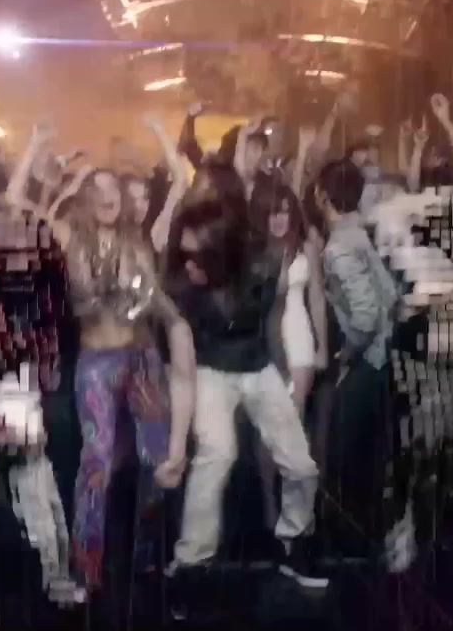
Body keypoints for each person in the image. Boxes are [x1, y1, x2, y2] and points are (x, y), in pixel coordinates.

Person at [6, 117, 196, 594]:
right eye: (101, 190)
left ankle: (147, 554)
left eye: (115, 189)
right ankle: (86, 566)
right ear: (88, 200)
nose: (110, 196)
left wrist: (160, 133)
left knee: (155, 461)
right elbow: (14, 201)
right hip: (97, 365)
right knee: (98, 464)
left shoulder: (140, 239)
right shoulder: (69, 238)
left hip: (141, 360)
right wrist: (34, 145)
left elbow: (181, 181)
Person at [165, 167, 327, 601]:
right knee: (217, 454)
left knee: (301, 465)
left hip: (257, 367)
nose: (189, 263)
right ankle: (190, 564)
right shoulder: (182, 282)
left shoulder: (264, 262)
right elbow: (181, 360)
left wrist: (288, 372)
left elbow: (272, 320)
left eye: (197, 257)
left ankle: (293, 541)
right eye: (185, 255)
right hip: (210, 370)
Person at [313, 159, 402, 559]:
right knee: (369, 456)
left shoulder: (338, 247)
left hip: (367, 359)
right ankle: (369, 542)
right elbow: (390, 295)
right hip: (385, 355)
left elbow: (365, 316)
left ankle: (351, 546)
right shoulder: (357, 232)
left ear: (322, 195)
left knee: (347, 456)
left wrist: (345, 356)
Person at [248, 178, 330, 529]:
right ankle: (269, 507)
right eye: (271, 213)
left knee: (292, 428)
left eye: (284, 211)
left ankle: (297, 514)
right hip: (265, 342)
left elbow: (317, 299)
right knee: (266, 434)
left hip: (298, 339)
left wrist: (322, 346)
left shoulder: (305, 247)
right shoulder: (254, 252)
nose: (279, 219)